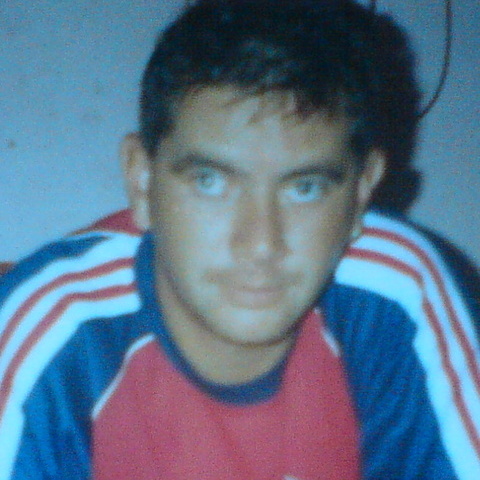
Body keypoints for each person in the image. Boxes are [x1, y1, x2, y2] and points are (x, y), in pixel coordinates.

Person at [0, 1, 479, 479]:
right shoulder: (53, 329)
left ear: (360, 194)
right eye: (210, 181)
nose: (260, 244)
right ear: (142, 182)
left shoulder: (397, 296)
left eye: (304, 188)